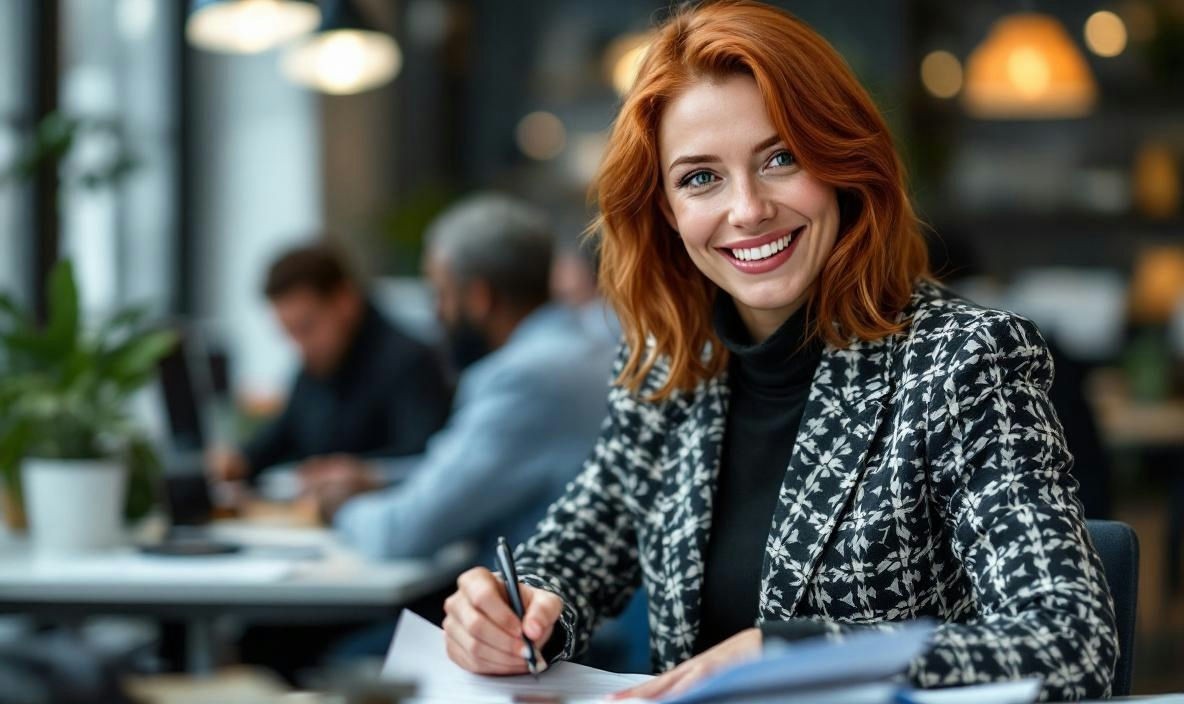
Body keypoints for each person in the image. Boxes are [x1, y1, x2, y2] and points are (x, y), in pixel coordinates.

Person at [441, 2, 1118, 701]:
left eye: (781, 158)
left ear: (844, 165)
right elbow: (572, 558)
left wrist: (789, 654)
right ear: (667, 212)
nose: (748, 210)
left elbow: (1068, 640)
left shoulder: (964, 361)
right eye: (701, 177)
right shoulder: (670, 366)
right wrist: (515, 611)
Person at [305, 194, 616, 568]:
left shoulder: (522, 377)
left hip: (541, 616)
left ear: (480, 297)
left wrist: (341, 506)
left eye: (441, 294)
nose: (436, 314)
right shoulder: (587, 347)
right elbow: (479, 469)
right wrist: (378, 479)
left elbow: (403, 532)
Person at [206, 243, 451, 486]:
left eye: (306, 327)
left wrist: (362, 473)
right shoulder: (317, 364)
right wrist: (241, 460)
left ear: (344, 301)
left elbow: (424, 458)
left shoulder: (409, 361)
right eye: (290, 333)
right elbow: (285, 432)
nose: (300, 345)